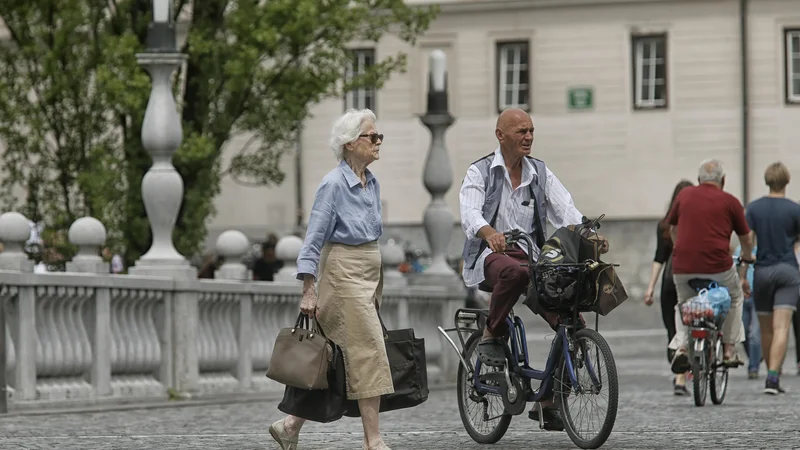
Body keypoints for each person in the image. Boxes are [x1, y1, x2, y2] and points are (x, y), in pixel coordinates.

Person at [459, 107, 608, 431]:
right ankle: (491, 333)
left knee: (570, 319)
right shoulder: (480, 171)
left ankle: (549, 400)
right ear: (501, 135)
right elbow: (469, 213)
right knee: (515, 273)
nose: (528, 137)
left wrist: (589, 235)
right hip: (490, 255)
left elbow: (565, 209)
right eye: (521, 132)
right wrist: (489, 232)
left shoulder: (539, 172)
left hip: (533, 257)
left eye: (531, 131)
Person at [269, 109, 393, 450]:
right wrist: (308, 289)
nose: (378, 141)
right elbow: (313, 239)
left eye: (379, 136)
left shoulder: (372, 181)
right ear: (350, 143)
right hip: (343, 272)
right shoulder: (333, 184)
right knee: (369, 350)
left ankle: (290, 426)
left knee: (333, 357)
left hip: (369, 272)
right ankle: (374, 440)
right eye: (373, 136)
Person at [667, 159, 754, 375]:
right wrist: (746, 256)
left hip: (683, 267)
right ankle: (729, 349)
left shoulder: (684, 196)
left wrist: (680, 247)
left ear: (698, 180)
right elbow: (746, 237)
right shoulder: (730, 201)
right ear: (723, 180)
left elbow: (672, 227)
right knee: (735, 297)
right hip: (718, 266)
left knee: (683, 304)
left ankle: (682, 348)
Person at [744, 162, 800, 394]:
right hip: (787, 271)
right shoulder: (794, 209)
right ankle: (773, 377)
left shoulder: (754, 209)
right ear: (786, 181)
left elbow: (747, 241)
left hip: (762, 271)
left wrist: (742, 275)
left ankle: (771, 373)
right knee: (782, 328)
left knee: (766, 329)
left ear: (767, 180)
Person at [644, 180, 693, 395]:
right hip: (687, 280)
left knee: (672, 331)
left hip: (667, 282)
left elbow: (659, 259)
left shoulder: (664, 225)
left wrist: (650, 288)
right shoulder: (695, 225)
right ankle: (682, 377)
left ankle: (679, 376)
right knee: (688, 327)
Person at [732, 244, 762, 379]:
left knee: (754, 334)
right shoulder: (740, 249)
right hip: (743, 294)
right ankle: (756, 356)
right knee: (742, 331)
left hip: (759, 293)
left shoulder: (763, 249)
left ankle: (753, 367)